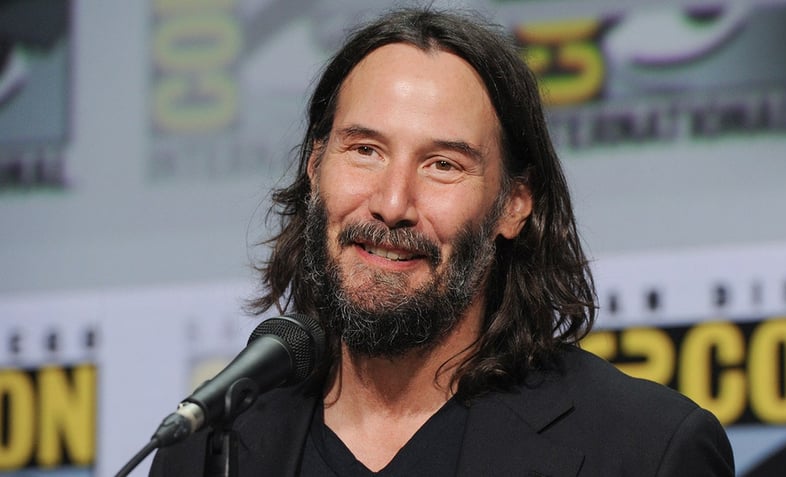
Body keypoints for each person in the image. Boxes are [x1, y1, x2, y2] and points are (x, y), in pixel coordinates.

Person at [151, 8, 734, 476]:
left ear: (514, 203)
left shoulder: (645, 451)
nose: (391, 202)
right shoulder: (204, 452)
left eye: (442, 164)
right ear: (314, 166)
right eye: (364, 150)